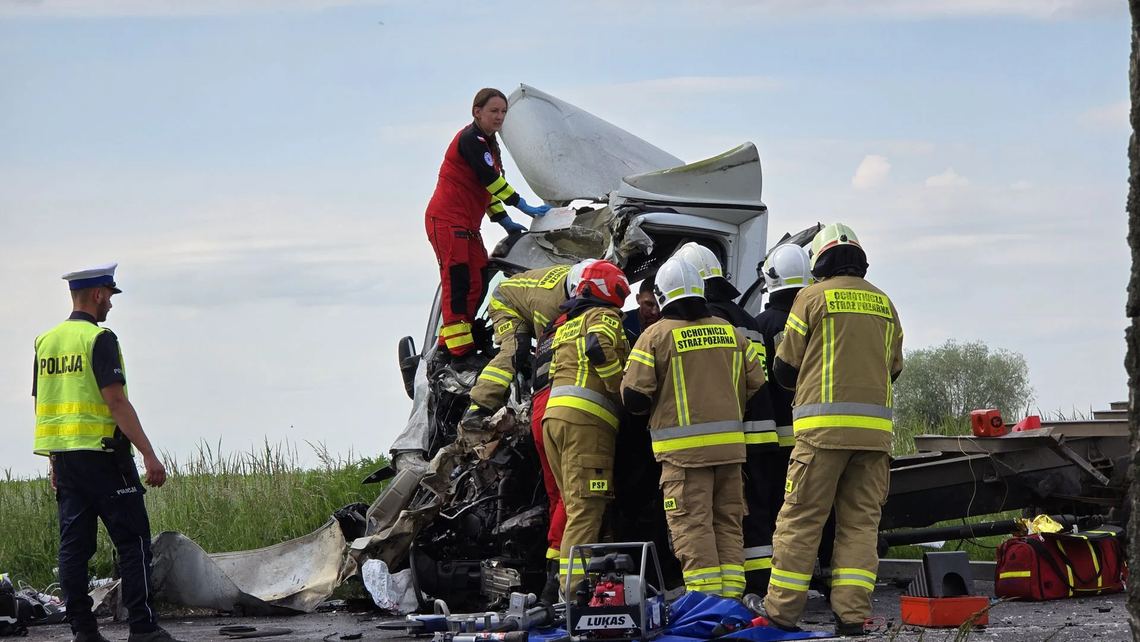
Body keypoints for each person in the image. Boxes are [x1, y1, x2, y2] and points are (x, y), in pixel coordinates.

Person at [757, 223, 904, 637]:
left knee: (801, 520)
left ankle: (781, 612)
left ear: (818, 261)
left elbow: (784, 367)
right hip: (874, 439)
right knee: (860, 525)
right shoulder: (884, 303)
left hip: (820, 437)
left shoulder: (810, 297)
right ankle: (852, 617)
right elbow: (894, 368)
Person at [32, 264, 182, 642]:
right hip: (105, 457)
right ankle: (143, 628)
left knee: (74, 549)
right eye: (110, 297)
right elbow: (115, 401)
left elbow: (47, 405)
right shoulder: (99, 338)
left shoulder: (45, 341)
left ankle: (84, 632)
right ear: (99, 294)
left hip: (66, 461)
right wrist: (149, 454)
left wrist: (54, 460)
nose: (111, 306)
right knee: (132, 542)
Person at [621, 257, 766, 599]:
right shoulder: (731, 333)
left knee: (692, 528)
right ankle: (731, 604)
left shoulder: (655, 336)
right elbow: (757, 382)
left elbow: (634, 398)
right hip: (731, 454)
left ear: (662, 294)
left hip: (684, 460)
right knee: (728, 526)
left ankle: (704, 605)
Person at [670, 242, 779, 593]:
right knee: (756, 513)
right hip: (762, 431)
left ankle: (725, 592)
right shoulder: (747, 318)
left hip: (729, 437)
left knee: (717, 517)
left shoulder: (708, 321)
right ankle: (759, 586)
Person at [424, 88, 551, 363]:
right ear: (477, 112)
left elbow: (487, 190)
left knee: (478, 279)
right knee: (457, 282)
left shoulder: (489, 145)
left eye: (504, 112)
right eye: (494, 111)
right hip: (447, 221)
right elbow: (491, 180)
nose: (500, 117)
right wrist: (521, 204)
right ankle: (459, 353)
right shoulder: (471, 139)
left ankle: (454, 341)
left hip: (468, 225)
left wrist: (503, 220)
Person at [542, 261, 631, 590]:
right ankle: (572, 595)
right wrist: (621, 391)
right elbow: (598, 348)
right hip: (586, 423)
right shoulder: (602, 316)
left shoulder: (565, 324)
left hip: (555, 421)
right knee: (586, 510)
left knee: (575, 507)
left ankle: (586, 588)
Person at [745, 243, 814, 593]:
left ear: (770, 279)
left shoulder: (759, 325)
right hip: (814, 435)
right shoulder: (816, 320)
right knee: (810, 513)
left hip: (773, 441)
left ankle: (769, 584)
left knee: (772, 512)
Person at [621, 278, 661, 343]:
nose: (654, 311)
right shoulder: (622, 322)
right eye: (649, 304)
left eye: (659, 304)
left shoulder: (671, 322)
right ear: (638, 299)